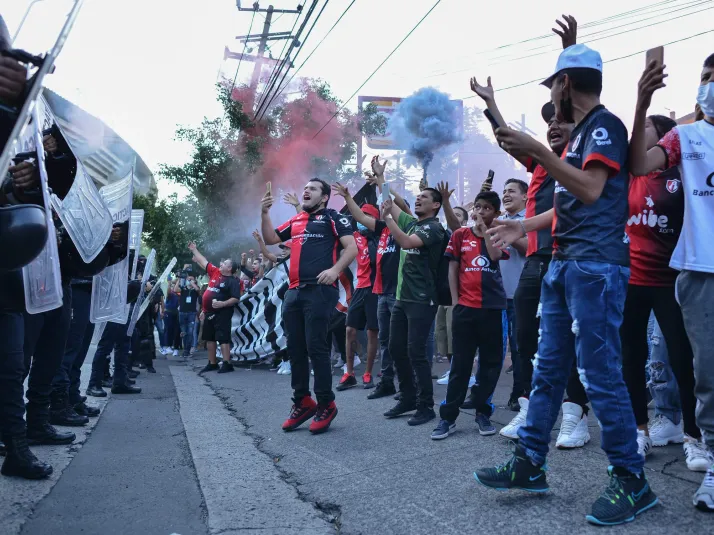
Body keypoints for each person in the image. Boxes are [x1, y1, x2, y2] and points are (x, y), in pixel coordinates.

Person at [476, 34, 657, 526]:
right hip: (565, 260)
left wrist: (539, 148)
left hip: (596, 266)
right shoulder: (578, 133)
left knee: (600, 374)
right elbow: (568, 201)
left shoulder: (603, 126)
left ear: (565, 83)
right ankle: (530, 463)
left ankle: (630, 479)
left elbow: (593, 189)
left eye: (553, 83)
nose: (551, 96)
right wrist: (526, 225)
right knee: (549, 367)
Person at [472, 77, 590, 448]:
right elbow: (507, 138)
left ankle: (575, 415)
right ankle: (527, 407)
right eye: (549, 121)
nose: (553, 125)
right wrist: (491, 104)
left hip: (573, 257)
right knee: (524, 338)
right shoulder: (539, 165)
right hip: (539, 261)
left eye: (562, 120)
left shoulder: (583, 161)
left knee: (570, 340)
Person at [628, 52, 714, 512]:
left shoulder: (687, 156)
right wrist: (641, 101)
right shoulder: (687, 139)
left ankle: (698, 439)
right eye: (706, 77)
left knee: (695, 365)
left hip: (681, 275)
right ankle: (703, 453)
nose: (711, 84)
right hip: (688, 274)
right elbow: (638, 164)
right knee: (701, 370)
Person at [620, 112, 703, 464]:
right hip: (631, 281)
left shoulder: (682, 175)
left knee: (684, 360)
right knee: (631, 358)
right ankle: (639, 432)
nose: (638, 137)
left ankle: (694, 436)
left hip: (671, 280)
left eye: (647, 130)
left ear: (665, 137)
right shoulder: (627, 176)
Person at [260, 178, 356, 434]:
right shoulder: (296, 220)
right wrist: (264, 212)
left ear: (324, 197)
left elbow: (352, 248)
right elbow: (270, 238)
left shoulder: (334, 218)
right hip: (293, 292)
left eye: (313, 189)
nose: (306, 191)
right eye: (305, 188)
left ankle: (326, 402)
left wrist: (336, 270)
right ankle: (302, 401)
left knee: (316, 347)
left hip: (320, 291)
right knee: (295, 349)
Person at [431, 191, 507, 439]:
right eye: (478, 207)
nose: (480, 212)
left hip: (492, 308)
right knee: (460, 366)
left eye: (486, 208)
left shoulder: (498, 233)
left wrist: (486, 230)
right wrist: (455, 302)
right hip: (465, 309)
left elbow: (495, 258)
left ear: (496, 213)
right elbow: (452, 269)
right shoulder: (459, 234)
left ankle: (482, 414)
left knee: (489, 366)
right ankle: (448, 418)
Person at [380, 187, 446, 427]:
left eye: (424, 198)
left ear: (436, 205)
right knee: (396, 348)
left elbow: (407, 243)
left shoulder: (434, 228)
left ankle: (426, 405)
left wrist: (387, 217)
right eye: (417, 197)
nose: (417, 199)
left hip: (422, 298)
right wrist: (380, 179)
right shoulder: (411, 223)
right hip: (403, 298)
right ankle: (407, 398)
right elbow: (389, 203)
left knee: (416, 352)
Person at [331, 184, 380, 391]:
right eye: (361, 216)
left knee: (372, 332)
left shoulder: (382, 236)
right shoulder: (354, 238)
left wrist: (380, 182)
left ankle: (368, 373)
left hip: (377, 289)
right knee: (350, 329)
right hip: (360, 289)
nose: (361, 221)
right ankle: (349, 373)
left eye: (367, 216)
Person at [189, 243, 242, 374]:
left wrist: (222, 304)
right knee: (210, 338)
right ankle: (212, 363)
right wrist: (194, 249)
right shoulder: (215, 272)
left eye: (225, 263)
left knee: (223, 338)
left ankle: (226, 363)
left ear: (229, 268)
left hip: (222, 313)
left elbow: (236, 298)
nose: (222, 264)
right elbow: (203, 261)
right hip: (208, 312)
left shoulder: (233, 281)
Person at [498, 178, 528, 409]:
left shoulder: (530, 220)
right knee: (493, 348)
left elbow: (531, 249)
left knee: (520, 349)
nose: (506, 195)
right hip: (496, 296)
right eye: (504, 191)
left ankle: (521, 394)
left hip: (520, 295)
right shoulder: (499, 220)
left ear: (525, 196)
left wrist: (512, 234)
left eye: (512, 191)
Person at [176, 270, 200, 357]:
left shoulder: (195, 290)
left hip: (191, 313)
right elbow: (175, 289)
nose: (189, 280)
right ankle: (185, 348)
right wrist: (179, 278)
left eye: (191, 279)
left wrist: (191, 281)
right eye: (188, 279)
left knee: (190, 332)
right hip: (182, 312)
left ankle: (187, 350)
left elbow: (197, 289)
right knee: (184, 332)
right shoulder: (184, 288)